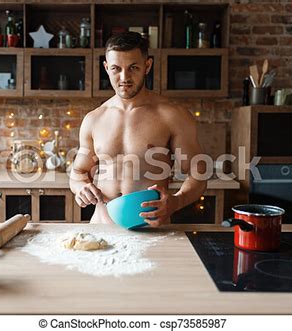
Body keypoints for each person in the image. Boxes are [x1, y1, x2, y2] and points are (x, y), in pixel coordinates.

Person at [69, 32, 206, 227]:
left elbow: (198, 172)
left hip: (151, 229)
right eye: (116, 68)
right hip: (102, 226)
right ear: (106, 68)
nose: (124, 77)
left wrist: (176, 201)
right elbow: (79, 172)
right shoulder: (94, 119)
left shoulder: (172, 115)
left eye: (133, 68)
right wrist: (80, 187)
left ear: (147, 66)